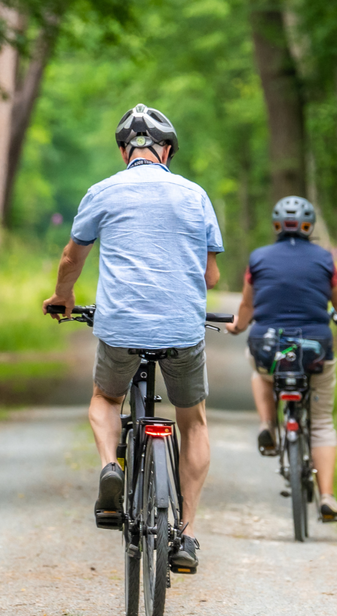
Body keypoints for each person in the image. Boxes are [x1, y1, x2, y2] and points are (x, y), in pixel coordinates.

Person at [42, 103, 223, 570]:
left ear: (125, 151)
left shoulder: (102, 191)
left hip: (121, 325)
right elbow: (212, 274)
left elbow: (71, 258)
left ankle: (110, 467)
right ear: (167, 151)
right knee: (194, 421)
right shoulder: (195, 195)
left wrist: (64, 297)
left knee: (105, 399)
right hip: (183, 328)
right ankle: (186, 535)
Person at [225, 196, 337, 522]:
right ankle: (327, 497)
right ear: (308, 226)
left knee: (258, 369)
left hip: (268, 348)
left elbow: (247, 307)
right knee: (323, 423)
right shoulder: (325, 259)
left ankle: (268, 424)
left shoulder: (258, 258)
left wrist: (238, 326)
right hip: (314, 350)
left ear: (276, 226)